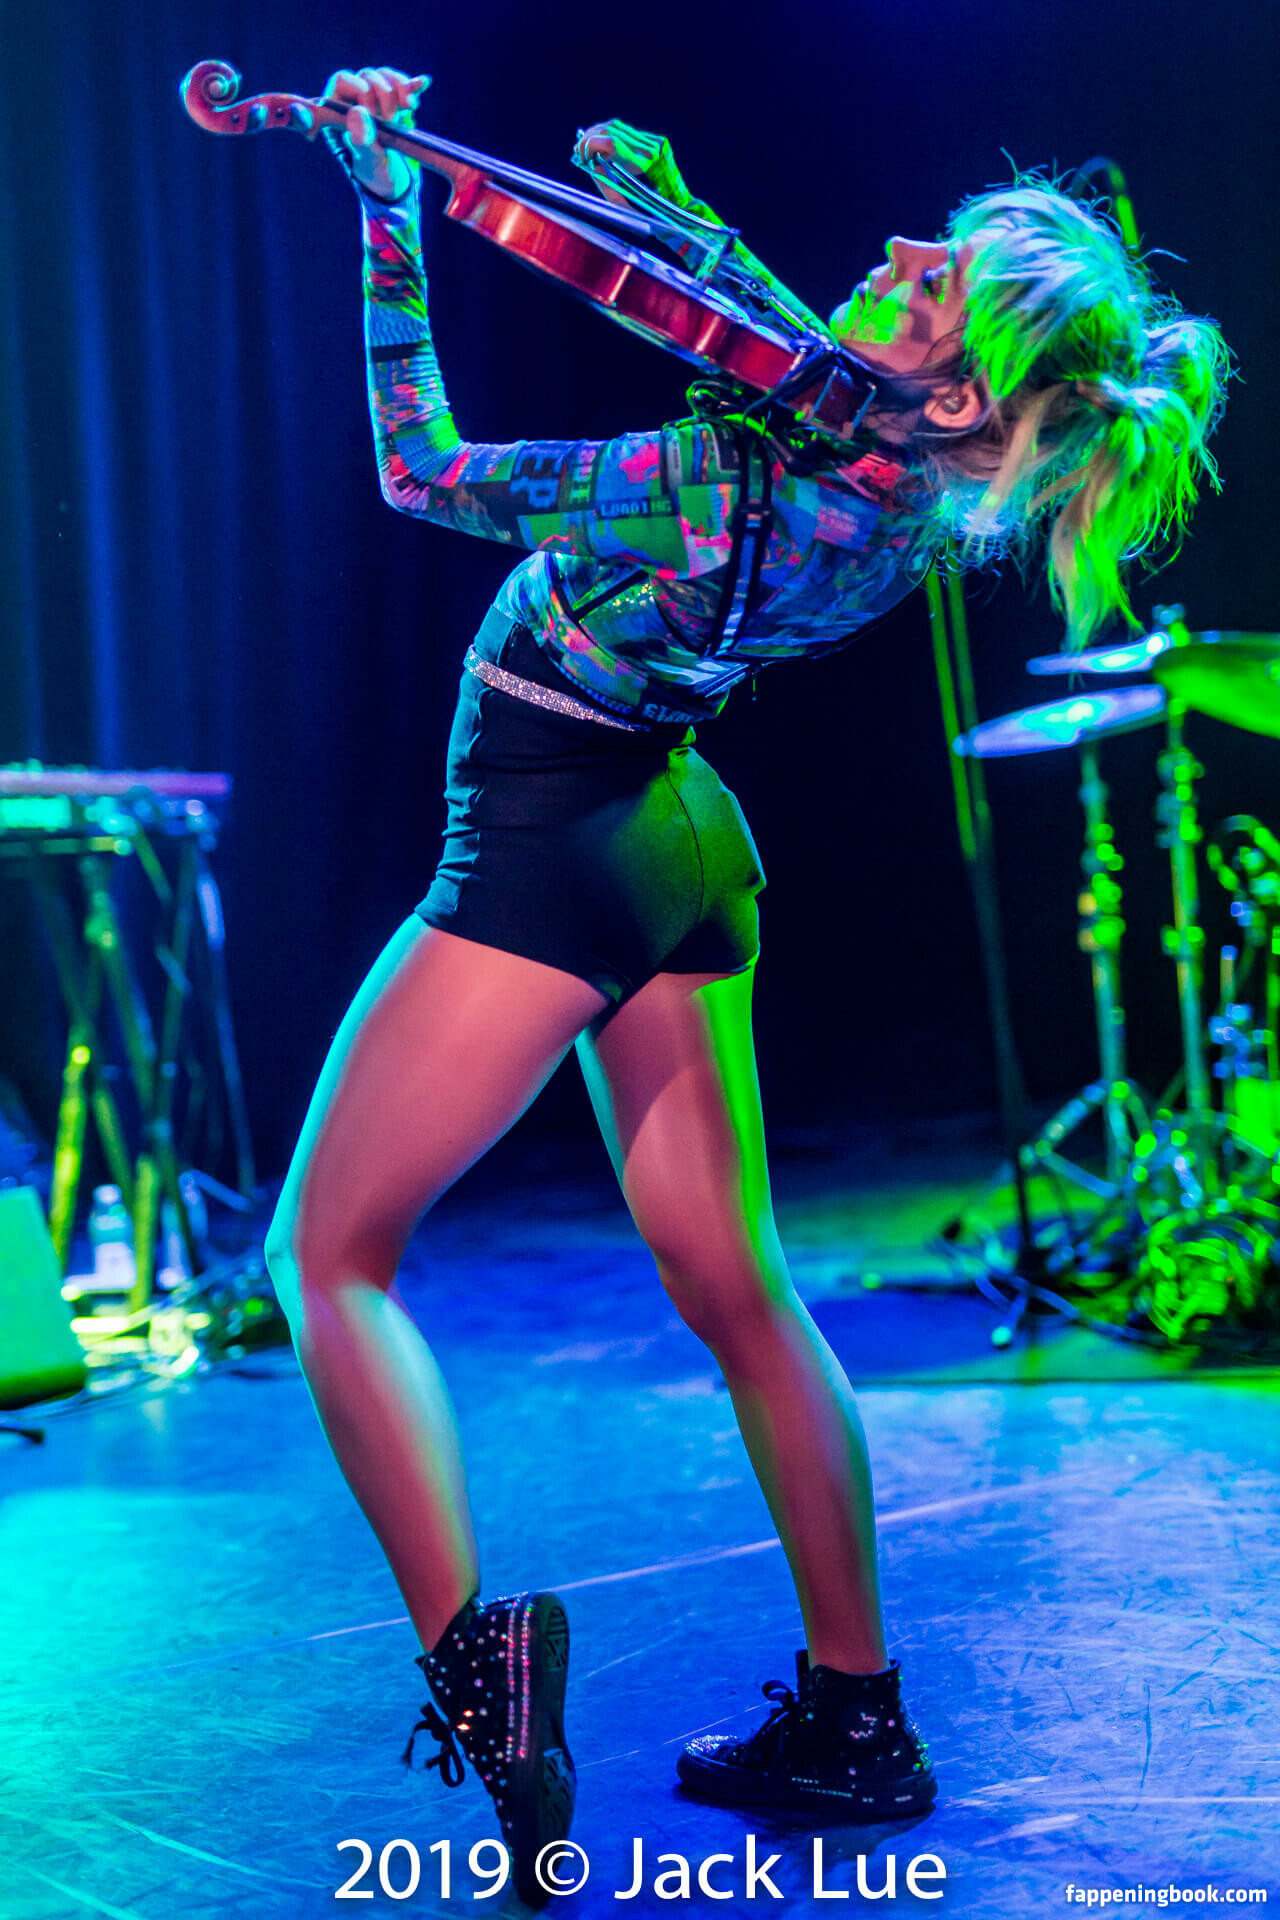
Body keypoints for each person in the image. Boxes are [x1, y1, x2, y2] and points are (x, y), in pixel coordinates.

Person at [263, 65, 1228, 1905]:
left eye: (937, 280)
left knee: (325, 1258)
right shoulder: (897, 483)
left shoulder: (726, 477)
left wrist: (385, 204)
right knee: (741, 1286)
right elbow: (771, 332)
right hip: (684, 835)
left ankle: (484, 1676)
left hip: (556, 830)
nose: (901, 250)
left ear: (960, 393)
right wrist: (667, 201)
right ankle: (859, 1722)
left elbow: (423, 469)